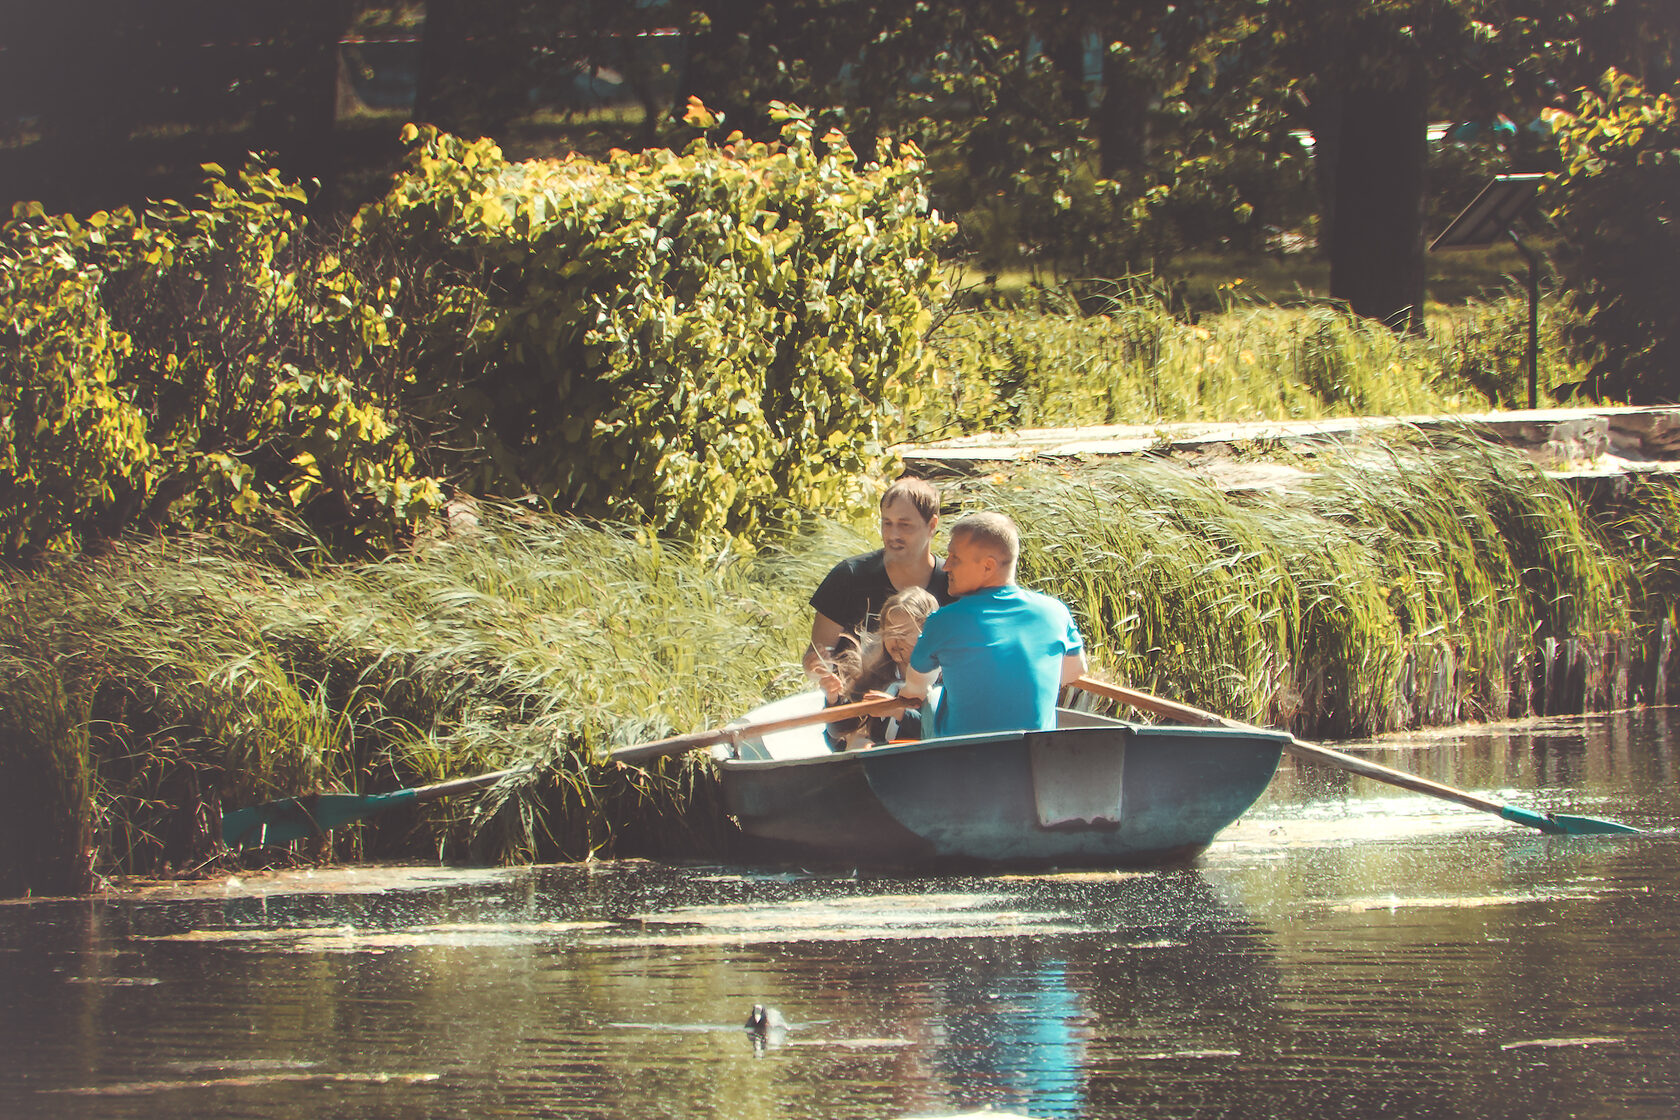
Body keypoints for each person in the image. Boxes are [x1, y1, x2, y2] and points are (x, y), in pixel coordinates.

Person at [897, 511, 1087, 737]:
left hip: (964, 761)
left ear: (988, 566)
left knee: (935, 696)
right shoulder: (1056, 612)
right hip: (1033, 757)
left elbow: (915, 690)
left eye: (954, 558)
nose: (946, 566)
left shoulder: (944, 621)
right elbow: (1076, 670)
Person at [804, 477, 954, 700]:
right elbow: (813, 659)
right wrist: (820, 671)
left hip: (932, 721)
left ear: (932, 525)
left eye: (905, 525)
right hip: (856, 722)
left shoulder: (953, 582)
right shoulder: (849, 577)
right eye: (887, 523)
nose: (893, 535)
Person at [825, 586, 939, 749]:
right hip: (883, 762)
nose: (896, 640)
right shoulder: (874, 676)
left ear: (926, 633)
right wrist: (833, 698)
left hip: (927, 762)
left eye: (904, 632)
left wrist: (898, 712)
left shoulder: (944, 677)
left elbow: (938, 732)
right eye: (890, 632)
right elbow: (838, 730)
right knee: (858, 743)